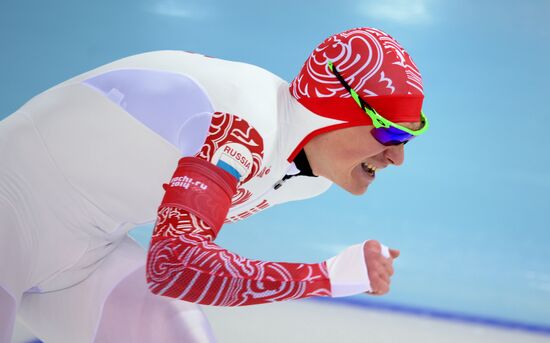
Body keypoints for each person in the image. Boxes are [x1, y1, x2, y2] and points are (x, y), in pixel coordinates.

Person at [0, 27, 427, 342]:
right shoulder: (242, 120)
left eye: (411, 137)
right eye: (390, 133)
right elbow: (176, 266)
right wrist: (325, 276)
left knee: (182, 336)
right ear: (335, 111)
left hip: (85, 257)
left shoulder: (308, 180)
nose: (398, 156)